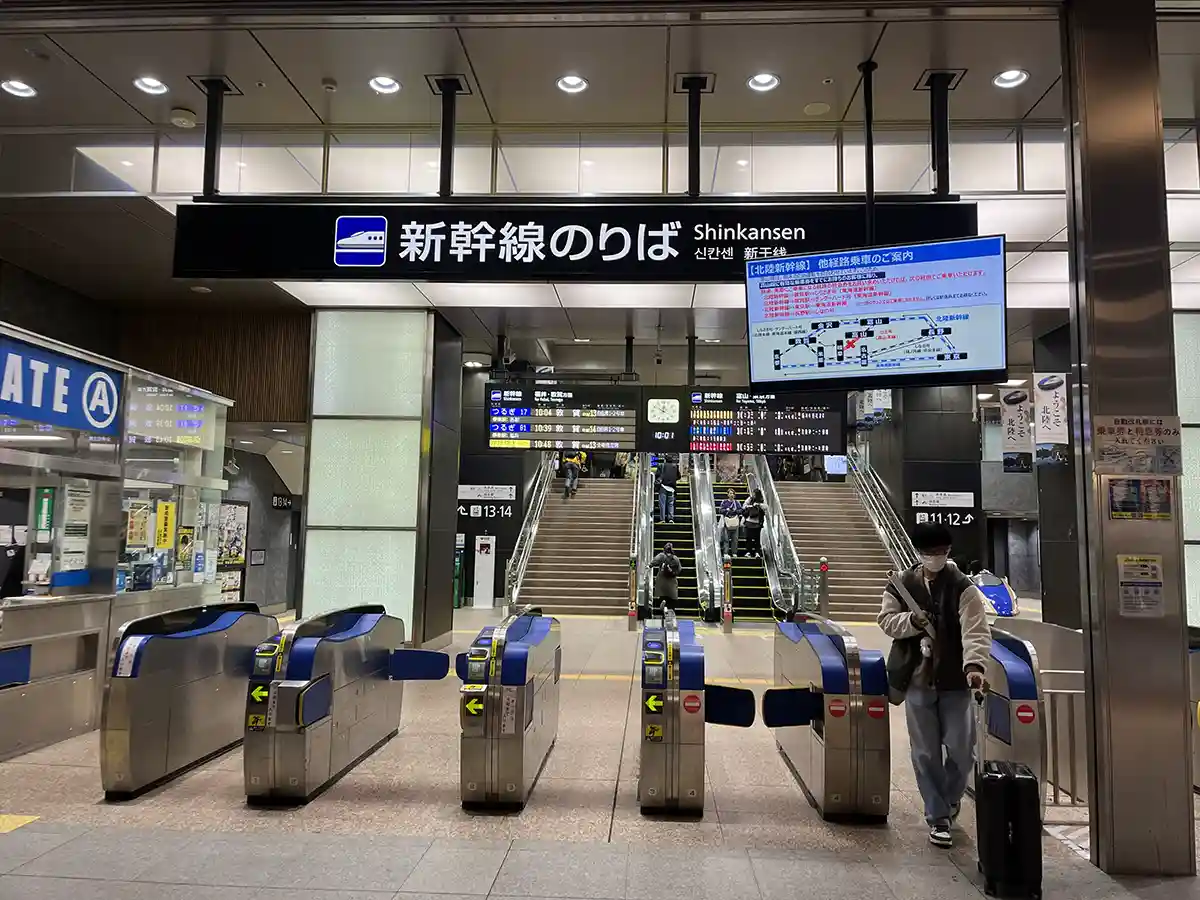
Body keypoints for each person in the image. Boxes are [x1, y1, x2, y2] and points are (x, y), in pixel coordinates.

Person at [877, 522, 992, 849]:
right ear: (918, 553)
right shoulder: (901, 585)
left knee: (961, 750)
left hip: (954, 681)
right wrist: (912, 622)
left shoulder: (963, 587)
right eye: (930, 553)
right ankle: (938, 816)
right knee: (925, 752)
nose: (936, 558)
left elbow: (976, 631)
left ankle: (950, 799)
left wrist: (975, 666)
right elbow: (886, 622)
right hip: (916, 680)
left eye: (941, 552)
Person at [650, 541, 682, 613]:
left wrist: (649, 565)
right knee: (672, 597)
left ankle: (663, 606)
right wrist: (674, 573)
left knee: (662, 595)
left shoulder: (661, 556)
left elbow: (655, 561)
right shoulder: (675, 558)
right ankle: (671, 609)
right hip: (671, 581)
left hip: (661, 580)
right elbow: (679, 569)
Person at [718, 488, 742, 558]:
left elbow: (741, 510)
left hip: (735, 522)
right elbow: (720, 510)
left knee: (735, 538)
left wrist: (735, 511)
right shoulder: (724, 502)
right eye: (730, 493)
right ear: (727, 494)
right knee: (726, 538)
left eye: (733, 493)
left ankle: (734, 552)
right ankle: (726, 552)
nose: (732, 495)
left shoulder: (737, 502)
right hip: (727, 522)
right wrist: (727, 511)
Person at [656, 454, 680, 523]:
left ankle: (662, 519)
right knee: (670, 503)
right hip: (672, 488)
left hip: (663, 486)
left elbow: (657, 475)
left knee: (662, 503)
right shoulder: (675, 466)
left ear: (665, 459)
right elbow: (679, 476)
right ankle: (671, 519)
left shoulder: (662, 465)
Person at [742, 489, 766, 557]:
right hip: (749, 521)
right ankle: (749, 551)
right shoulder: (750, 499)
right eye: (753, 493)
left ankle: (757, 552)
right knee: (748, 538)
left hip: (757, 523)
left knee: (757, 538)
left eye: (754, 494)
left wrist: (758, 505)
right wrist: (750, 506)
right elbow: (744, 506)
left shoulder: (761, 500)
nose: (753, 495)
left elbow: (766, 507)